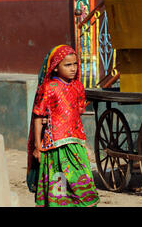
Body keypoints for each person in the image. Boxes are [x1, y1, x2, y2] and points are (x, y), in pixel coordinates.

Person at [26, 45, 100, 207]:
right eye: (67, 65)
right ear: (54, 68)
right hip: (54, 144)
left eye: (75, 64)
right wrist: (38, 146)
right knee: (58, 184)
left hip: (76, 142)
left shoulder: (78, 86)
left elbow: (77, 112)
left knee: (81, 180)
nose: (73, 69)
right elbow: (38, 117)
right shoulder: (49, 88)